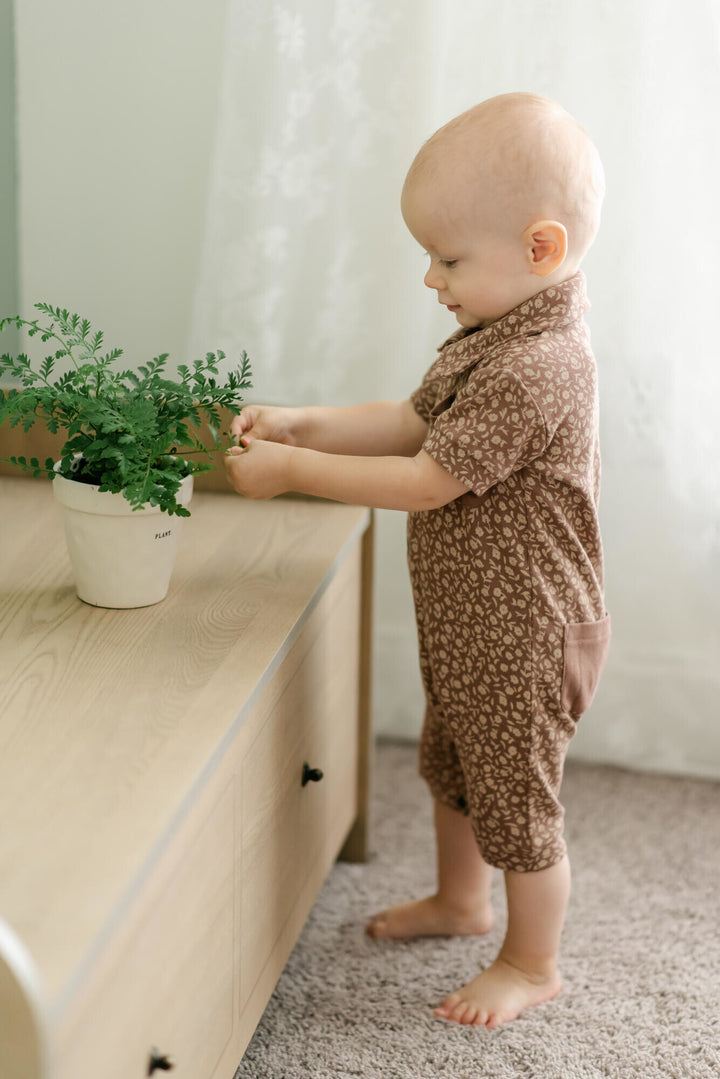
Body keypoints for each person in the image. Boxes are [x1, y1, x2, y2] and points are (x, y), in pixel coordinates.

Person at [224, 91, 611, 1029]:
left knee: (516, 799)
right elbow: (409, 420)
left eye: (446, 258)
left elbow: (428, 476)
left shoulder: (538, 364)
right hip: (471, 616)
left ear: (540, 249)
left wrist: (294, 472)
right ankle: (458, 900)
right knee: (453, 762)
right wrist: (303, 420)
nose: (430, 279)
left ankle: (530, 959)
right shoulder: (490, 334)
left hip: (526, 627)